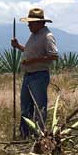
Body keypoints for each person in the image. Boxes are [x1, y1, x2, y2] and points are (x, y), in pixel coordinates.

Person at [11, 8, 58, 137]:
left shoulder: (47, 36)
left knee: (39, 107)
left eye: (31, 23)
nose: (28, 25)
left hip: (39, 75)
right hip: (29, 75)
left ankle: (39, 135)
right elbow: (29, 51)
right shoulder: (34, 35)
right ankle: (25, 134)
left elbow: (53, 55)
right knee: (26, 107)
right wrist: (18, 46)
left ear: (40, 23)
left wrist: (32, 61)